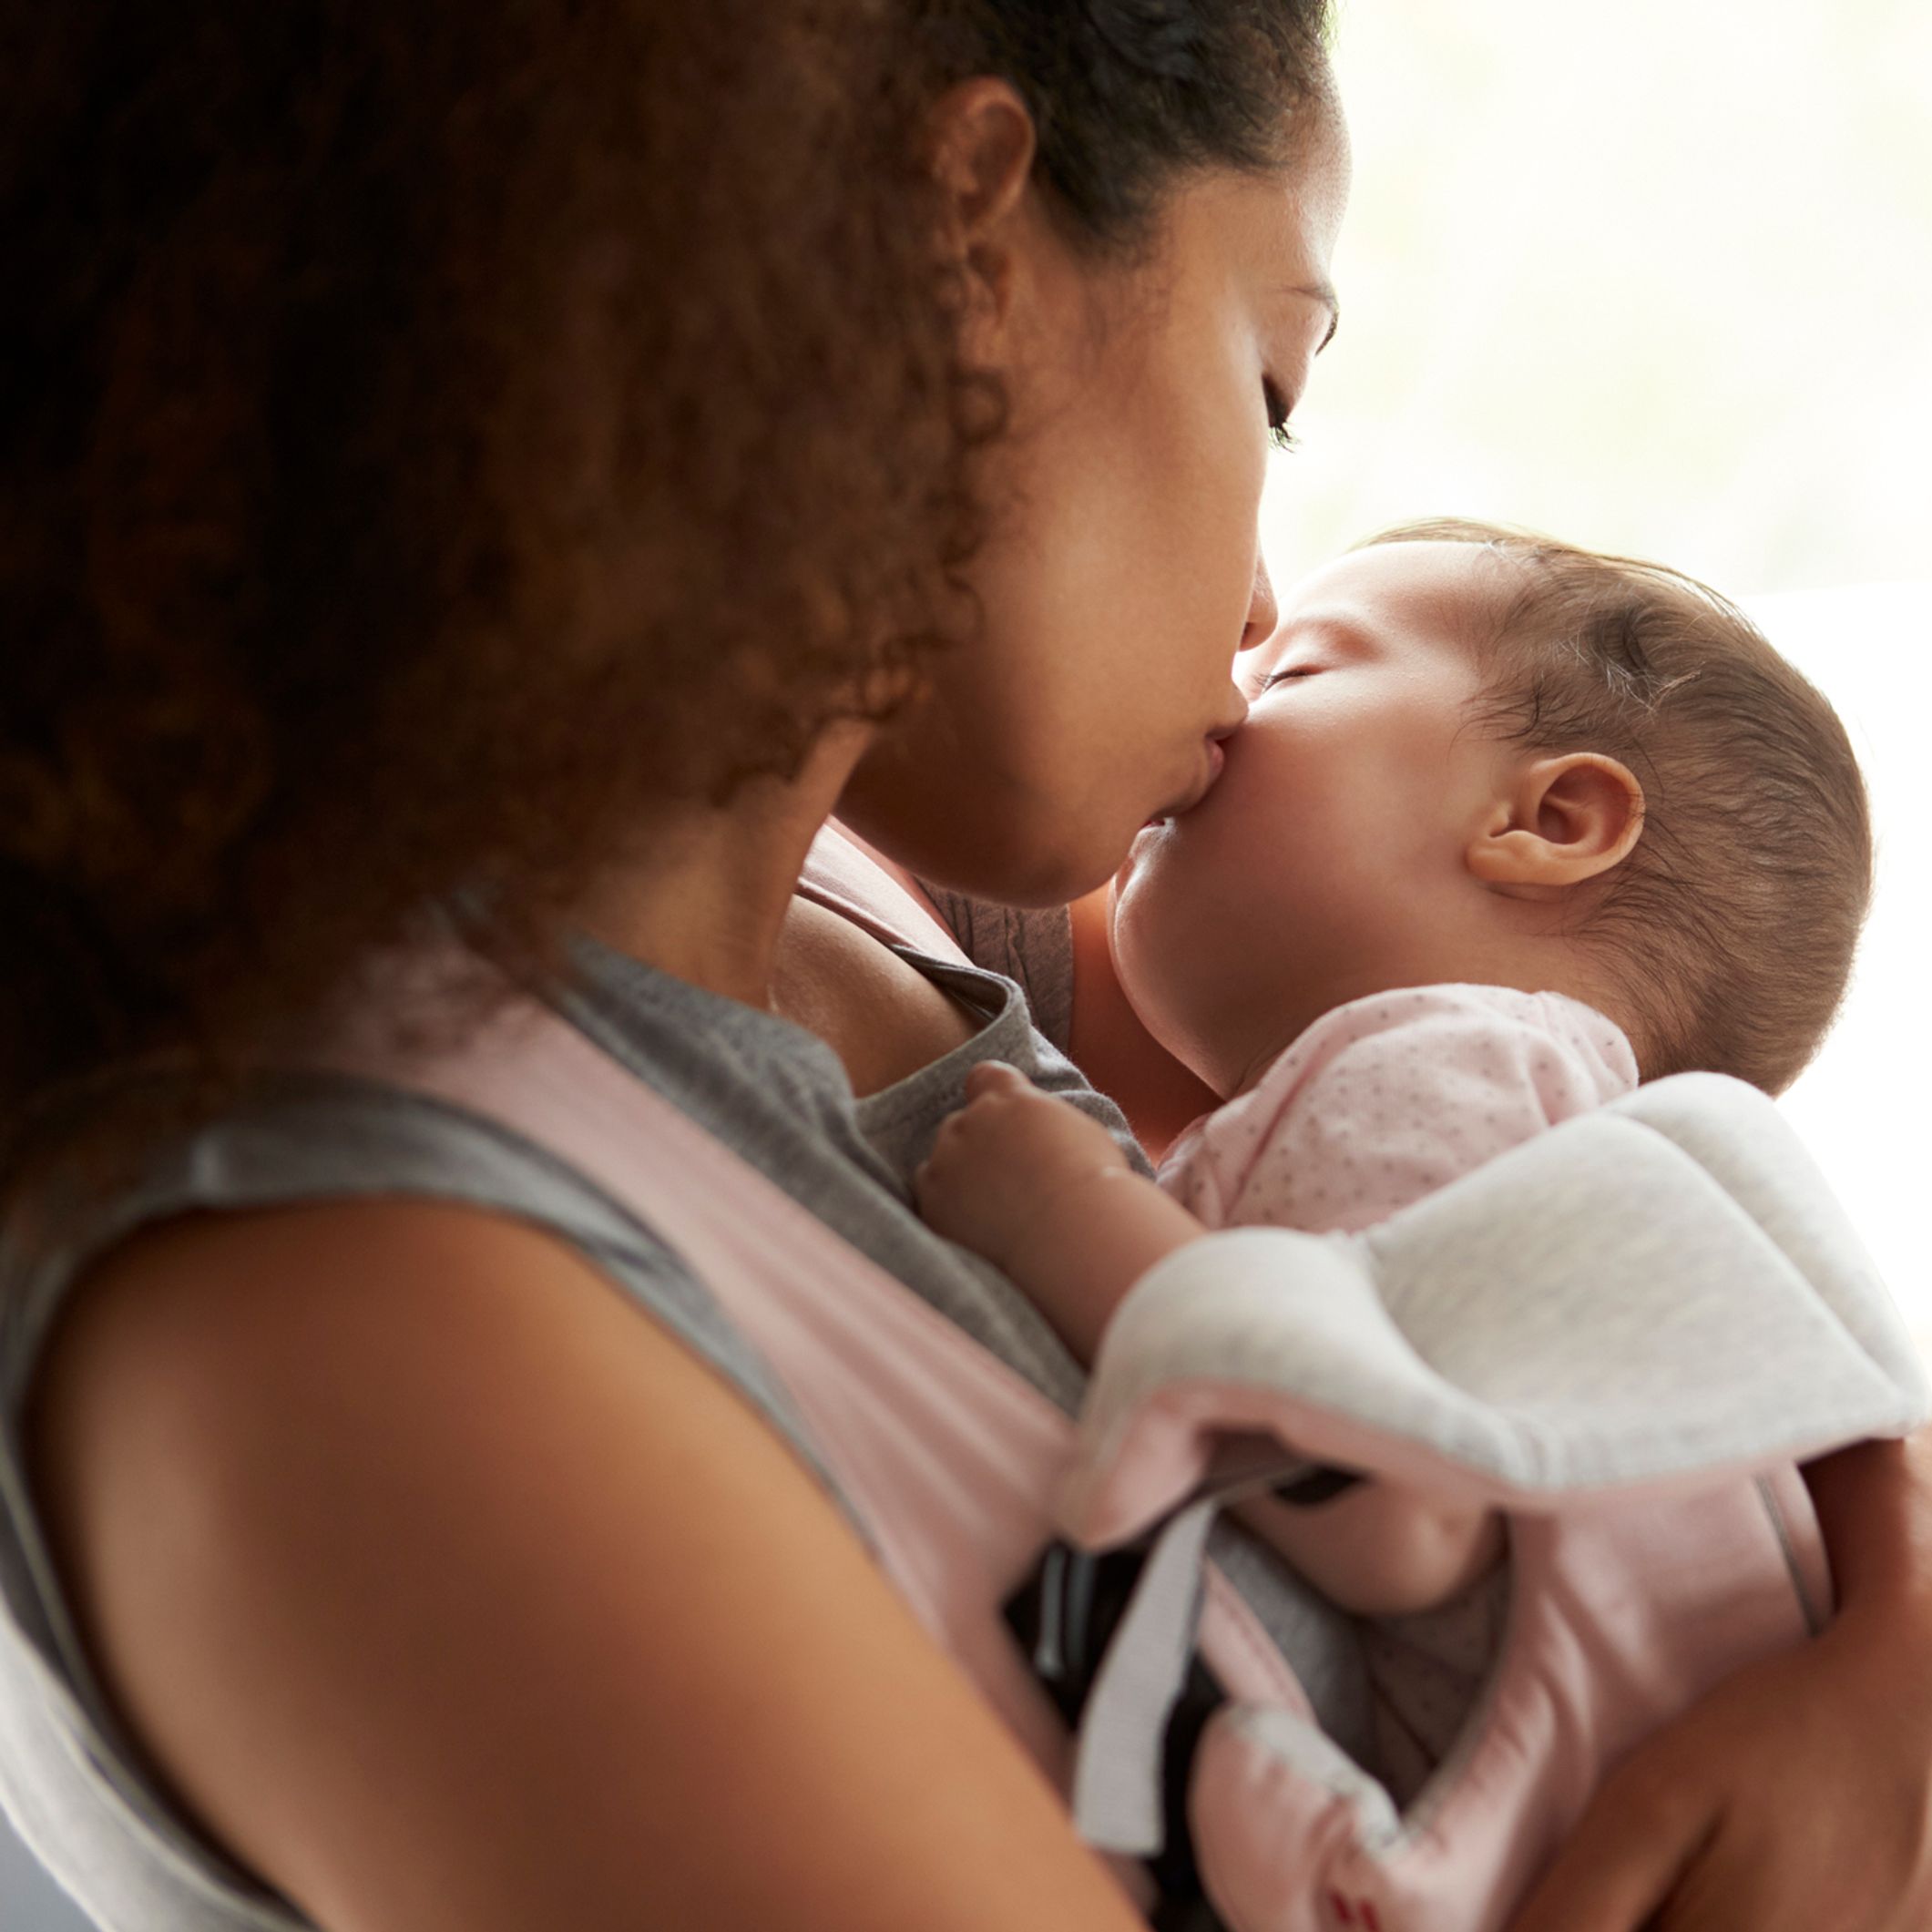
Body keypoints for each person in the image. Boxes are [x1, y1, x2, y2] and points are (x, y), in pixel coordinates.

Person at [1, 9, 1929, 1932]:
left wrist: (1887, 1632)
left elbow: (1574, 1259)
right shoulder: (345, 1311)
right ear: (960, 262)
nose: (1264, 601)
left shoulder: (862, 921)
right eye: (1267, 384)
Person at [915, 516, 1876, 1620]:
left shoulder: (1453, 1065)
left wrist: (1064, 1215)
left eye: (1298, 672)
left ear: (1550, 820)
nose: (1223, 701)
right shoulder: (1483, 1119)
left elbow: (1395, 1511)